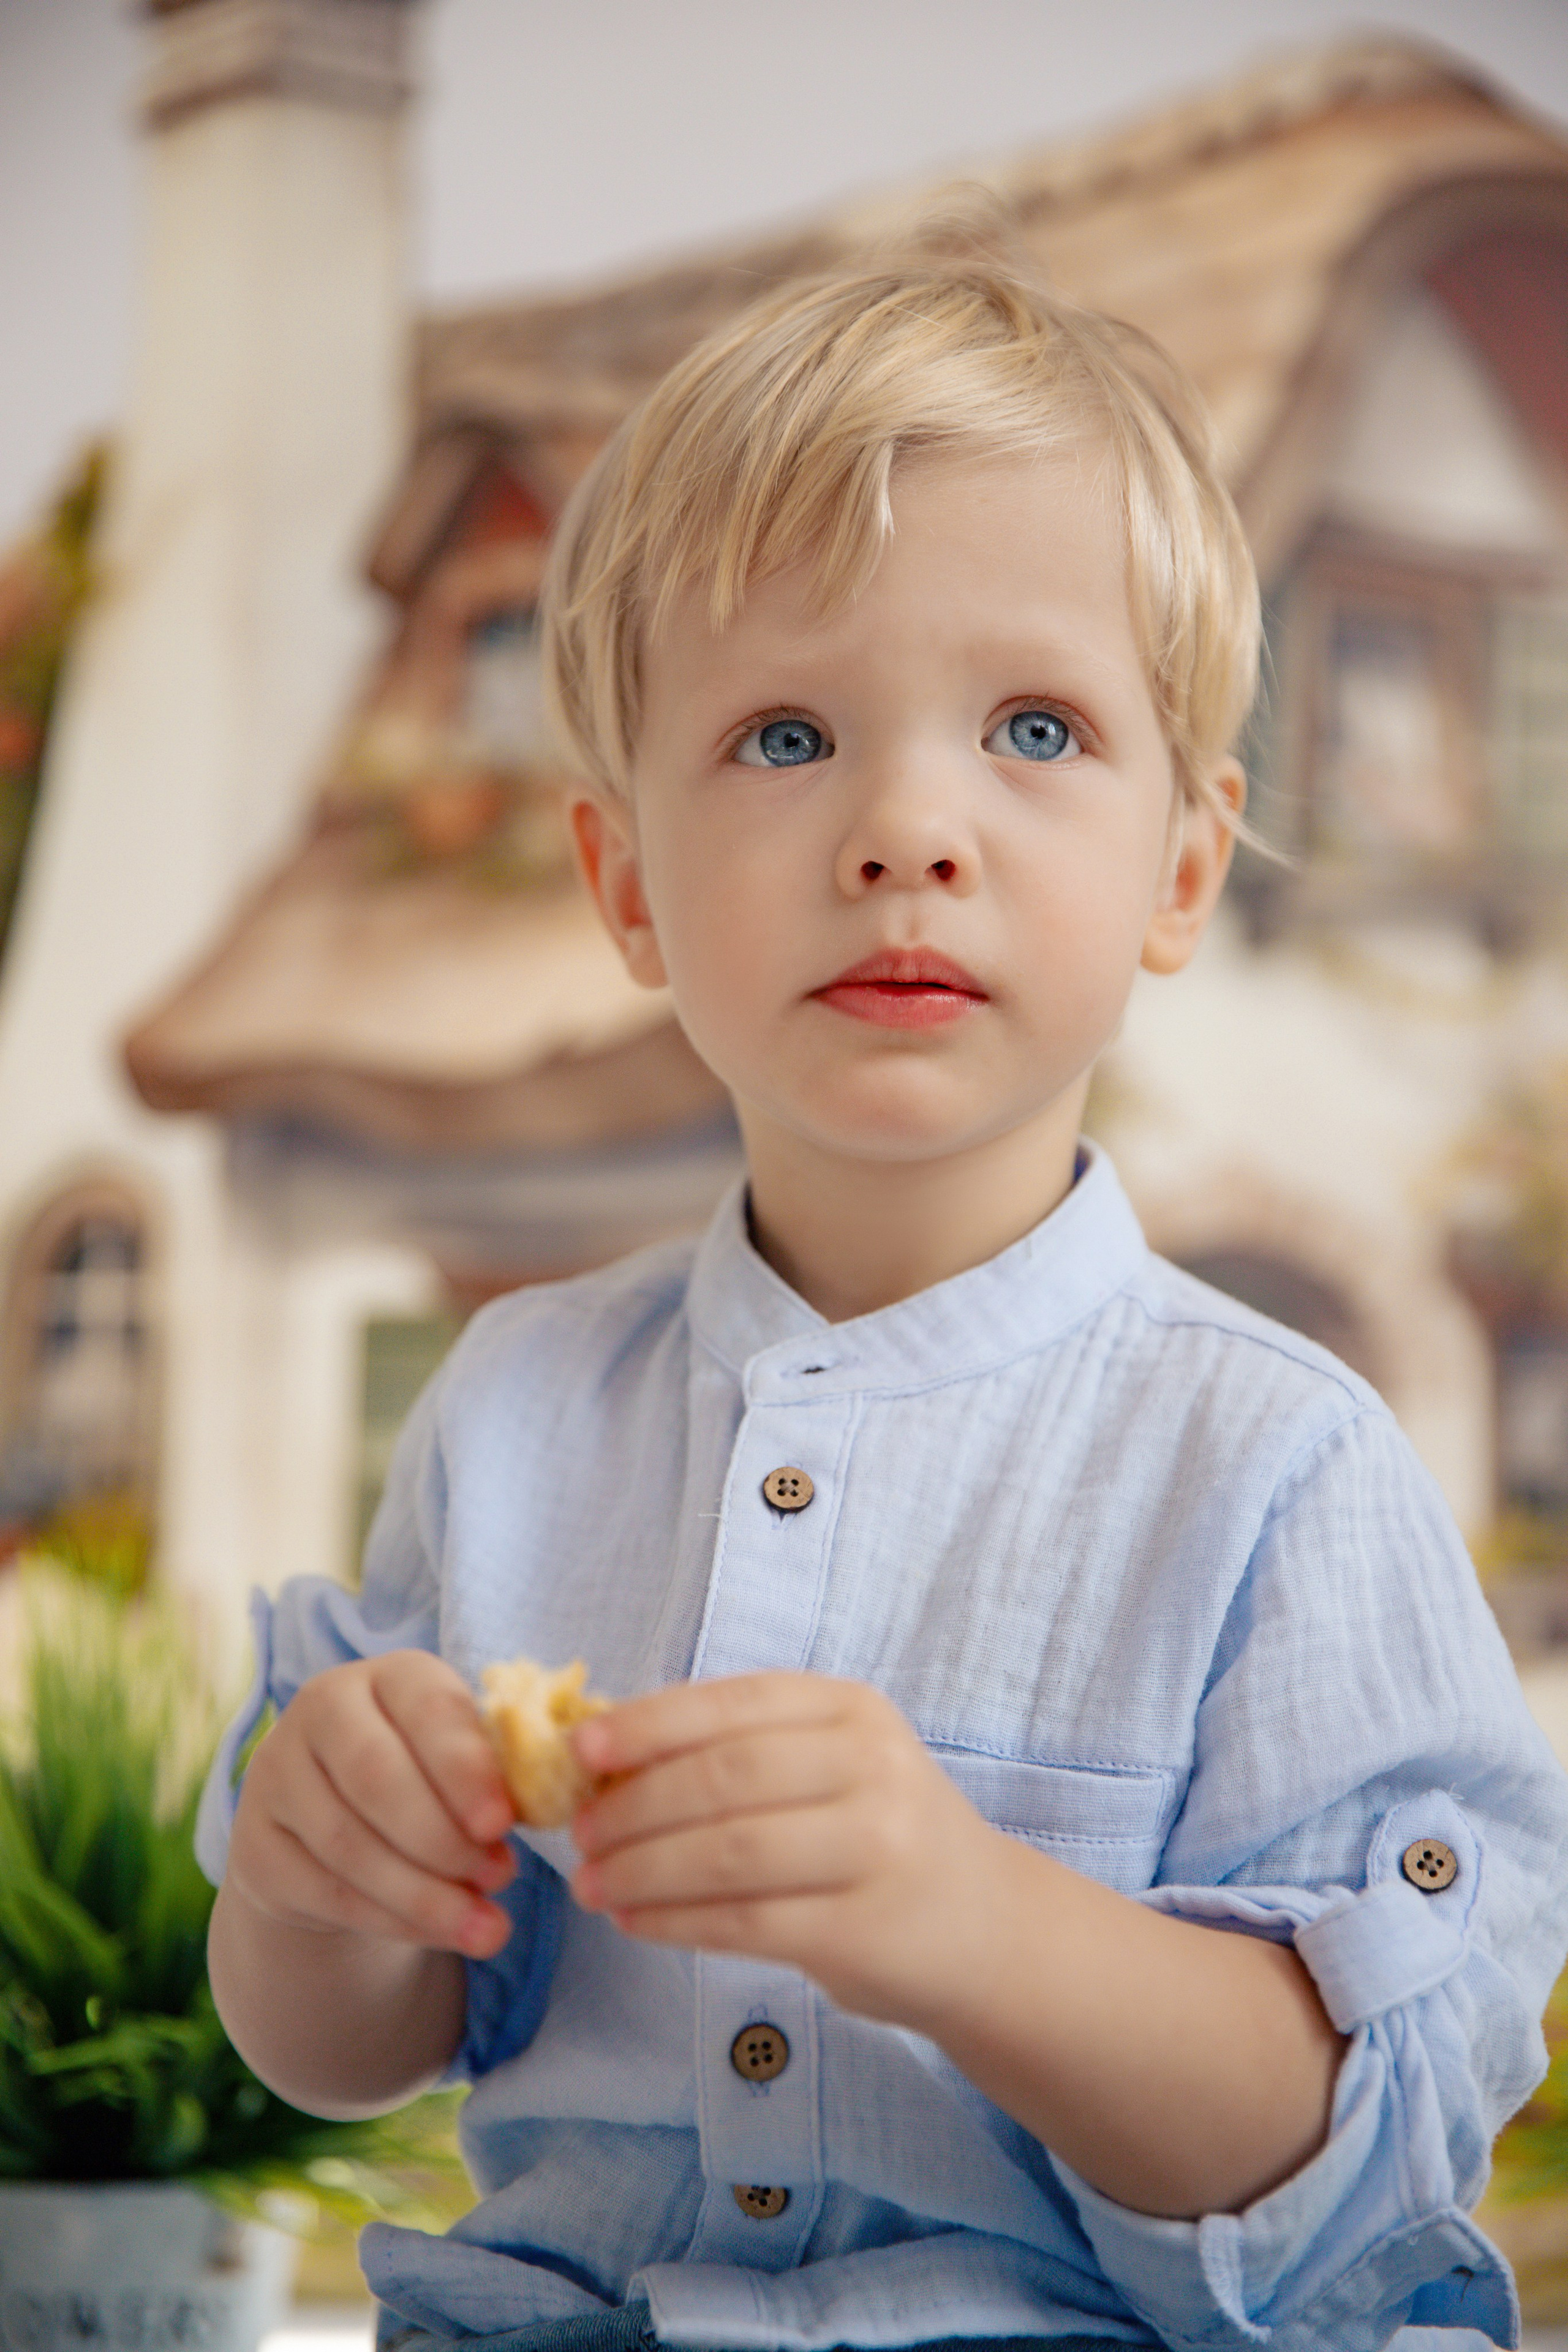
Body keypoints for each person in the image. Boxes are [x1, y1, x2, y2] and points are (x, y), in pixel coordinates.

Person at [198, 219, 1568, 2352]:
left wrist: (968, 1921)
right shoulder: (512, 1410)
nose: (909, 825)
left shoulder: (1282, 1462)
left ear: (1181, 870)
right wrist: (317, 1875)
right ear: (627, 881)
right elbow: (350, 2044)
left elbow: (1357, 2155)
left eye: (1033, 726)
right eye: (780, 738)